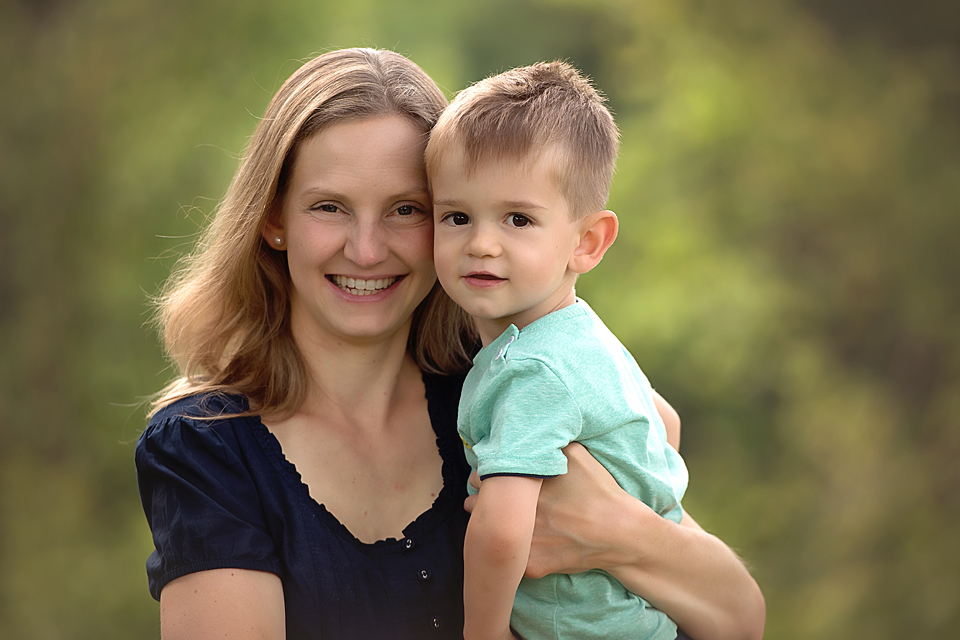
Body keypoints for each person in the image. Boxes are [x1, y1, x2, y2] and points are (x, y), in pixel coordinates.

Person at [135, 47, 765, 640]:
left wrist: (618, 533)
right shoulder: (209, 447)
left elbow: (740, 616)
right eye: (329, 207)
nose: (366, 249)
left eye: (406, 210)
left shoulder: (507, 387)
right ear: (273, 220)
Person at [427, 60, 696, 640]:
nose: (481, 243)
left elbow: (501, 531)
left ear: (587, 242)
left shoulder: (533, 369)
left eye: (518, 219)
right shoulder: (581, 335)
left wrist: (484, 634)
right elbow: (664, 423)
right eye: (456, 216)